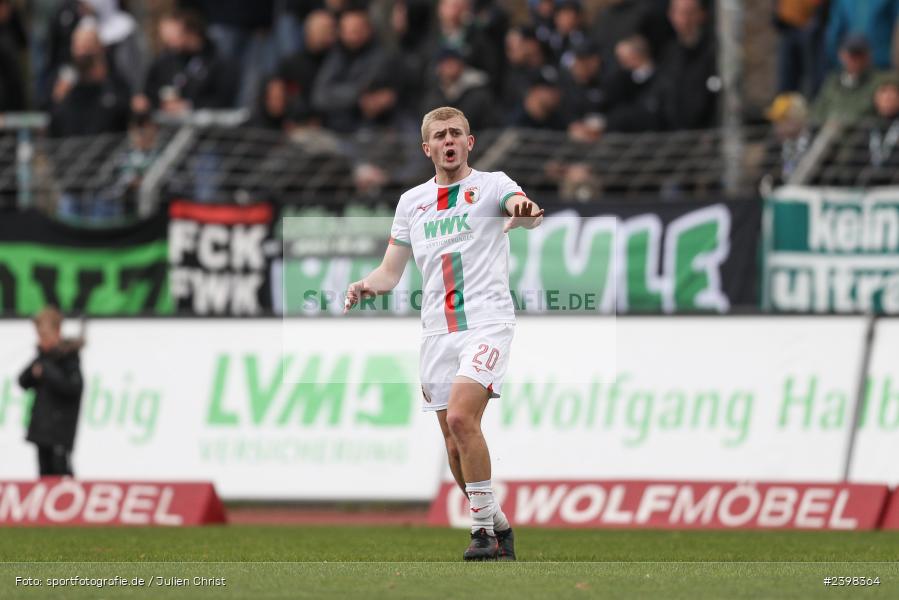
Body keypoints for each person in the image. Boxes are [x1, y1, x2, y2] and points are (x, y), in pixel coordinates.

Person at [344, 106, 544, 561]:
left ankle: (479, 534)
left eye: (457, 133)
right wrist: (366, 285)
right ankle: (500, 527)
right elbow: (390, 271)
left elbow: (523, 209)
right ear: (427, 148)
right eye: (441, 135)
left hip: (487, 324)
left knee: (460, 418)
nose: (449, 141)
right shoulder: (411, 202)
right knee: (454, 446)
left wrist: (526, 212)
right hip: (437, 332)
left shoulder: (493, 185)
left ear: (469, 143)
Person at [17, 307, 84, 477]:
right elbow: (22, 381)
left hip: (60, 431)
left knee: (61, 474)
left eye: (45, 336)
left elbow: (74, 387)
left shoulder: (68, 357)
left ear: (57, 332)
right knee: (44, 475)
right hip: (42, 431)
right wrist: (37, 369)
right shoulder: (42, 357)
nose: (41, 341)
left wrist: (47, 369)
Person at [810, 33, 885, 125]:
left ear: (868, 56)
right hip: (827, 132)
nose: (856, 60)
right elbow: (817, 112)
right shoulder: (832, 81)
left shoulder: (879, 82)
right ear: (841, 55)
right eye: (851, 55)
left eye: (860, 55)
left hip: (860, 135)